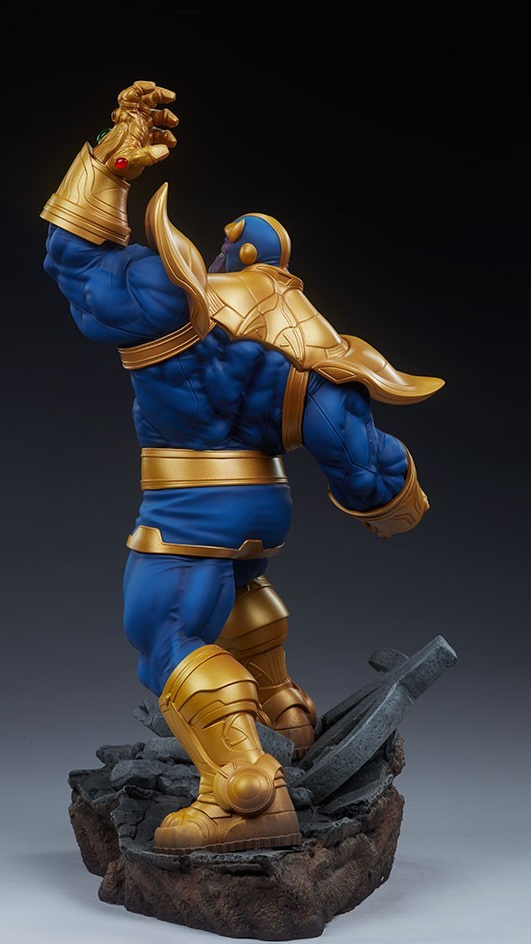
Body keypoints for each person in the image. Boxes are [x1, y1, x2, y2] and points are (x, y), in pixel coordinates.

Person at [40, 81, 443, 855]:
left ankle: (243, 793)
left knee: (164, 630)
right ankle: (282, 710)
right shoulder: (308, 344)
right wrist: (398, 505)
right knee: (240, 590)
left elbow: (72, 259)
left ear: (230, 254)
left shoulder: (174, 301)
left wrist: (110, 164)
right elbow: (363, 468)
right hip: (264, 506)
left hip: (189, 504)